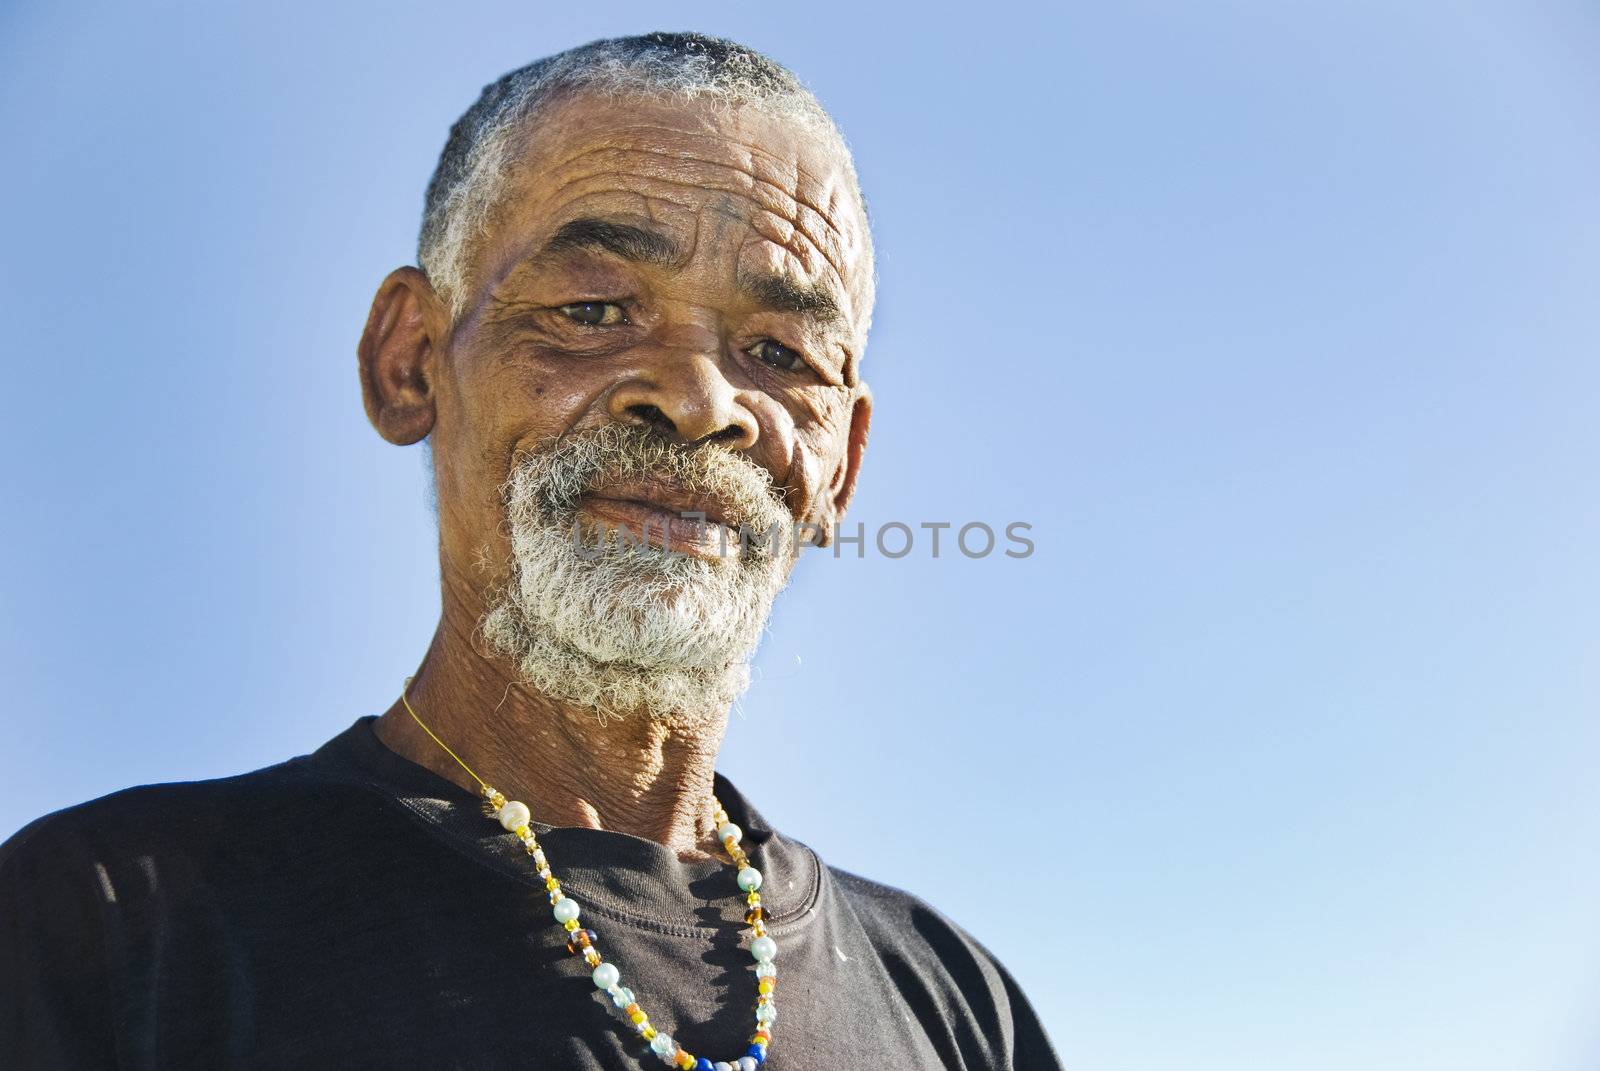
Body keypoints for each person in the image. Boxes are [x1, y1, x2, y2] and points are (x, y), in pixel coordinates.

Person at [0, 31, 1063, 1070]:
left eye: (779, 353)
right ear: (410, 361)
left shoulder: (955, 1008)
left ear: (841, 468)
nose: (698, 405)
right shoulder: (111, 926)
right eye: (594, 309)